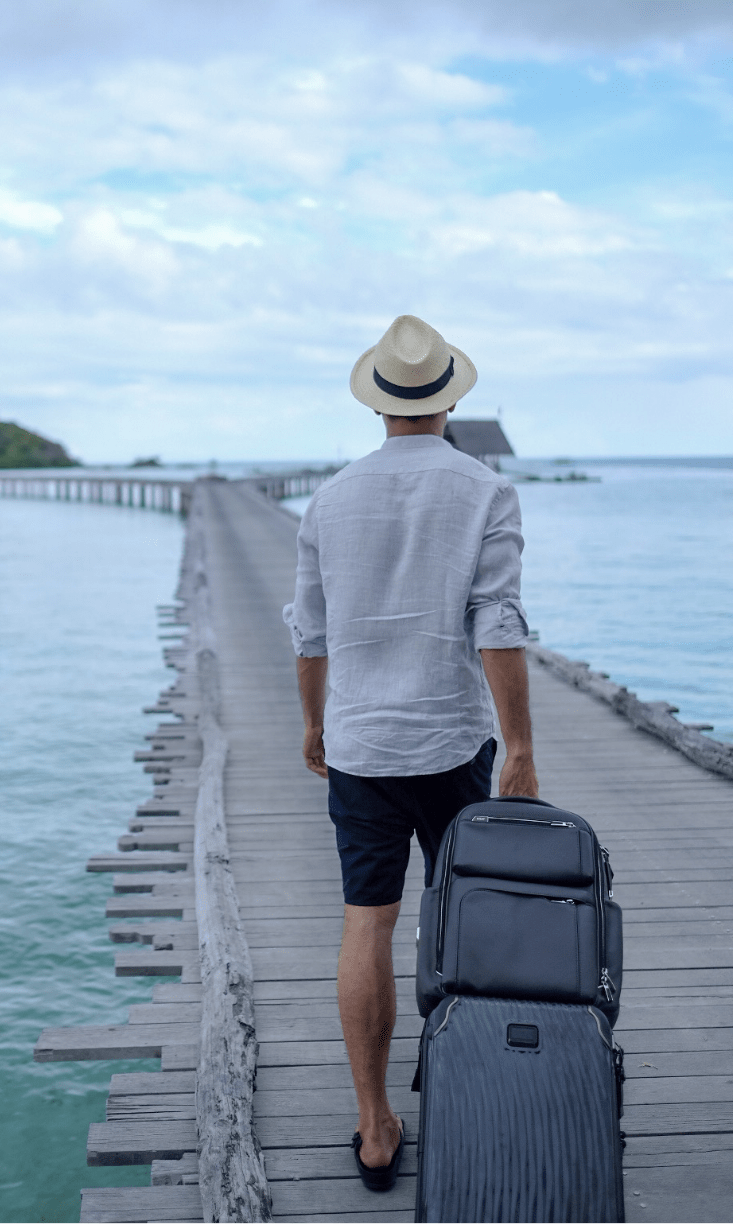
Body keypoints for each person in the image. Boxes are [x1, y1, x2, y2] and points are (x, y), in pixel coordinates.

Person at [282, 314, 539, 1192]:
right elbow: (497, 624)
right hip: (450, 741)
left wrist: (314, 725)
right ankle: (479, 1098)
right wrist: (521, 747)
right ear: (451, 394)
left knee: (369, 923)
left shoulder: (330, 498)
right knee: (465, 920)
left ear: (378, 402)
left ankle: (375, 1126)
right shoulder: (484, 490)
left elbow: (309, 637)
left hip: (361, 746)